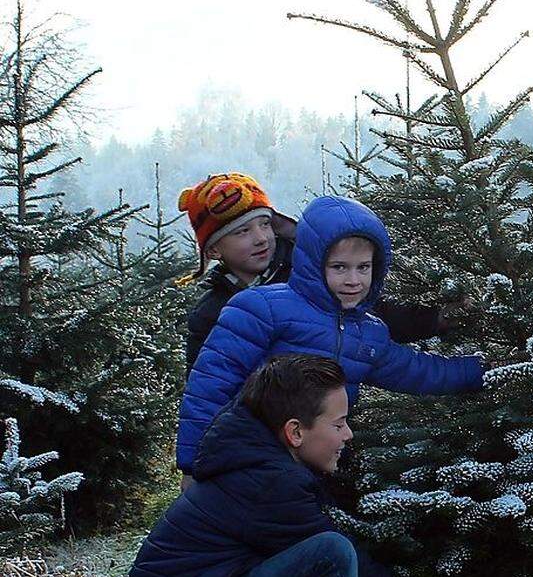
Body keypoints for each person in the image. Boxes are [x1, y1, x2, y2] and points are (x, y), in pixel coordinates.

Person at [121, 354, 497, 577]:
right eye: (338, 424)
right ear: (295, 432)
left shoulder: (259, 455)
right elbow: (353, 566)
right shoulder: (268, 482)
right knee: (332, 555)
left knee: (341, 570)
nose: (348, 435)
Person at [177, 194, 486, 478]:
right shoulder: (261, 307)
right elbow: (209, 386)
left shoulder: (369, 334)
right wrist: (192, 467)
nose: (353, 280)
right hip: (246, 458)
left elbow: (419, 371)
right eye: (339, 267)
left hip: (310, 466)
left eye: (363, 267)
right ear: (313, 265)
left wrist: (490, 370)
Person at [178, 172, 458, 375]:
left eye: (265, 224)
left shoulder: (309, 274)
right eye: (242, 232)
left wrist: (437, 320)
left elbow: (375, 315)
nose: (261, 238)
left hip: (331, 427)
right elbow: (206, 384)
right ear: (214, 251)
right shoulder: (210, 314)